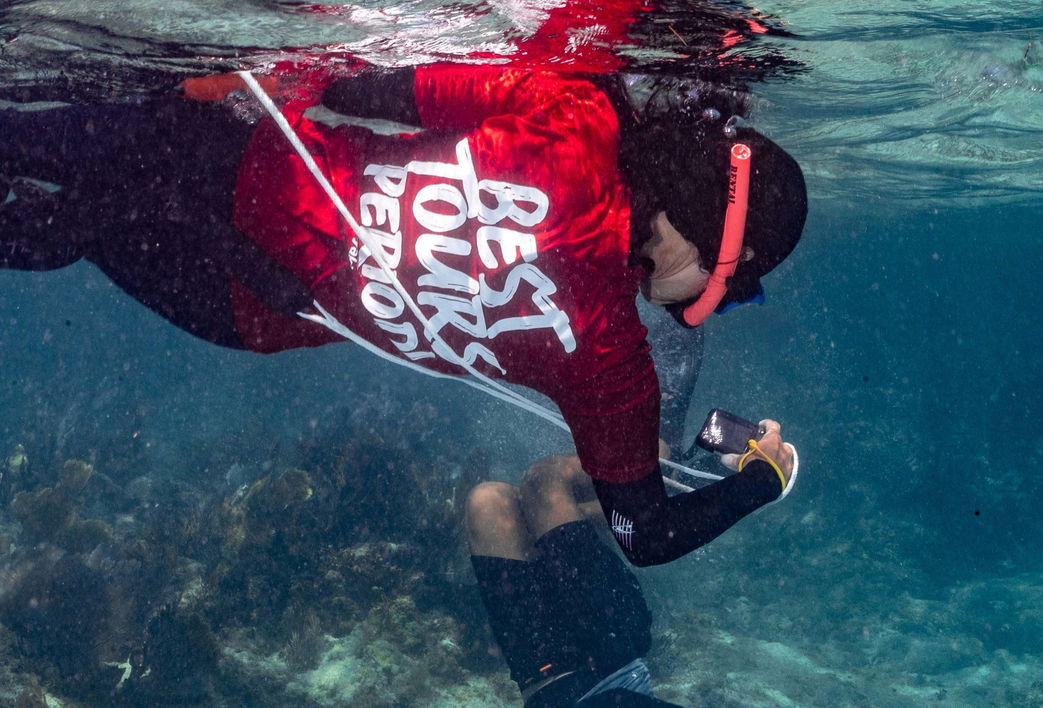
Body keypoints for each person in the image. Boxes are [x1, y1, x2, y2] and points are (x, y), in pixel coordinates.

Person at [0, 62, 807, 566]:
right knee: (51, 233)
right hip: (239, 297)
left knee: (38, 189)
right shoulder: (612, 367)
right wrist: (759, 484)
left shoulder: (574, 111)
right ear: (719, 246)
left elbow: (371, 87)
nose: (722, 302)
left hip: (226, 166)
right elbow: (644, 537)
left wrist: (259, 78)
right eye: (741, 285)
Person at [466, 455, 680, 706]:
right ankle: (652, 465)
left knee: (488, 501)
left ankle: (585, 512)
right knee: (544, 480)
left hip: (543, 676)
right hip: (612, 649)